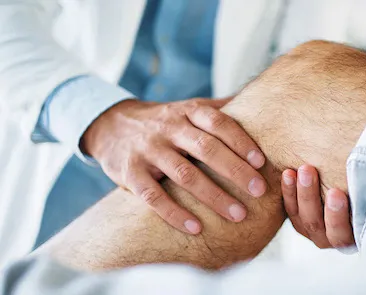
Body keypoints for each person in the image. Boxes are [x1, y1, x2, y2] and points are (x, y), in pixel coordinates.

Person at [3, 39, 366, 294]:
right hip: (52, 185)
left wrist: (357, 199)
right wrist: (99, 115)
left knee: (306, 95)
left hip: (212, 168)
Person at [0, 0, 347, 268]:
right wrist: (101, 118)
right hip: (56, 148)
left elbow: (307, 67)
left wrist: (315, 181)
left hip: (206, 194)